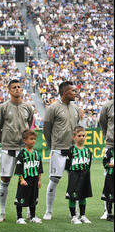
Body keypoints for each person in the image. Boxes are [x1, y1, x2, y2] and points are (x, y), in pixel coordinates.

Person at [0, 79, 35, 223]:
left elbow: (29, 125)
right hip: (8, 149)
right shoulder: (3, 107)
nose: (17, 89)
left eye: (19, 87)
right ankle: (2, 212)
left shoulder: (28, 107)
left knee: (28, 179)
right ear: (9, 90)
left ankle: (30, 212)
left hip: (23, 149)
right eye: (14, 87)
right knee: (5, 179)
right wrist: (4, 141)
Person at [42, 81, 81, 220]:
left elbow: (77, 128)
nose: (75, 93)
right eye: (73, 91)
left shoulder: (76, 108)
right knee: (54, 180)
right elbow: (46, 128)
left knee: (75, 181)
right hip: (58, 149)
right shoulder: (53, 108)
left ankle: (75, 212)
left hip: (72, 150)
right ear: (64, 92)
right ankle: (49, 211)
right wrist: (51, 144)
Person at [13, 130, 43, 224]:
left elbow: (39, 169)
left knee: (33, 198)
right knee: (21, 197)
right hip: (25, 179)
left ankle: (32, 216)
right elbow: (19, 168)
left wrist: (39, 180)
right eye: (31, 139)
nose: (33, 141)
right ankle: (19, 217)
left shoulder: (37, 154)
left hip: (34, 179)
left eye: (34, 139)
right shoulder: (22, 154)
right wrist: (21, 179)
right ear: (25, 140)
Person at [65, 126, 93, 224]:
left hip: (85, 175)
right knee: (73, 196)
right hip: (74, 175)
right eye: (79, 136)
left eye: (83, 136)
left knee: (83, 195)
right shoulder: (71, 150)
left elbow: (89, 164)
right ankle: (73, 216)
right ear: (74, 137)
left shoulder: (88, 151)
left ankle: (82, 215)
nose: (82, 137)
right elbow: (67, 165)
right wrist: (71, 174)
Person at [98, 99, 114, 220]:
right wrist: (107, 137)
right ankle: (106, 210)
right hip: (111, 144)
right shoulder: (108, 105)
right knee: (107, 175)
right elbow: (102, 122)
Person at [101, 147, 114, 222]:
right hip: (110, 176)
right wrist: (110, 164)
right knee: (109, 194)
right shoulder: (110, 151)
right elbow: (104, 162)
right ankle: (109, 213)